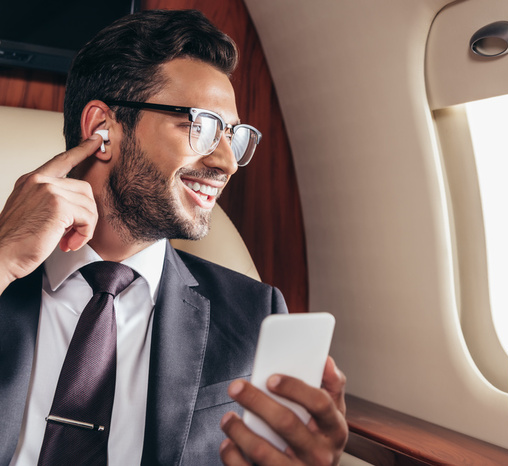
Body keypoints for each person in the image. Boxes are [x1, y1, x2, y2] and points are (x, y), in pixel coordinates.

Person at [0, 9, 348, 466]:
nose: (227, 162)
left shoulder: (253, 314)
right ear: (103, 130)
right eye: (201, 126)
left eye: (234, 136)